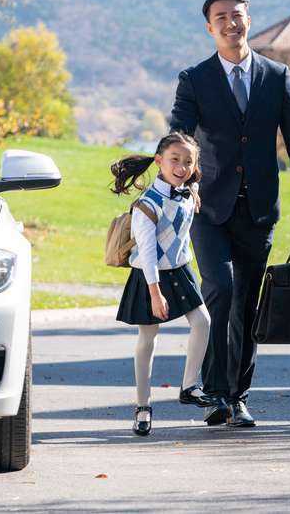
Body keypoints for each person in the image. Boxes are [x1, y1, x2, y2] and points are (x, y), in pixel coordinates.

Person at [170, 0, 290, 428]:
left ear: (248, 21)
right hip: (208, 207)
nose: (230, 24)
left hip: (259, 211)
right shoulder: (194, 79)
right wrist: (170, 187)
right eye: (221, 18)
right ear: (209, 27)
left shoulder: (276, 76)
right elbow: (179, 140)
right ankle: (216, 392)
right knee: (219, 287)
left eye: (237, 16)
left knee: (247, 304)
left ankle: (237, 396)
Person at [110, 132, 217, 436]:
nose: (181, 166)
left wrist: (194, 191)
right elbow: (147, 254)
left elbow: (190, 186)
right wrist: (155, 293)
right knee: (148, 340)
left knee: (202, 322)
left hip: (180, 270)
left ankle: (189, 386)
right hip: (151, 276)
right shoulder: (147, 205)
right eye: (174, 159)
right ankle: (143, 407)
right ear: (158, 161)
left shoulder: (188, 190)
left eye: (188, 161)